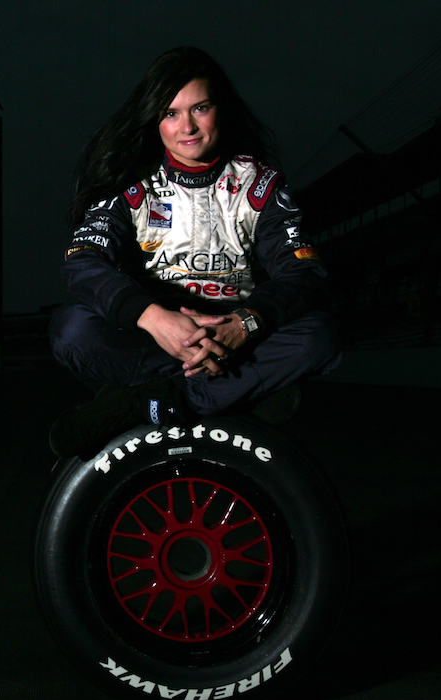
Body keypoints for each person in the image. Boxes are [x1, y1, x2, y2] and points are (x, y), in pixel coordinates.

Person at [48, 46, 341, 458]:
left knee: (319, 335)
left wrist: (246, 323)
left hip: (235, 338)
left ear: (220, 109)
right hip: (155, 337)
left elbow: (305, 275)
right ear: (155, 120)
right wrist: (153, 318)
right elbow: (82, 263)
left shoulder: (260, 185)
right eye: (171, 113)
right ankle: (239, 395)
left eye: (199, 108)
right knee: (71, 329)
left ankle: (151, 402)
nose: (187, 126)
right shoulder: (129, 183)